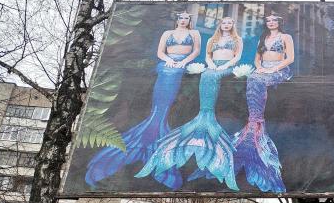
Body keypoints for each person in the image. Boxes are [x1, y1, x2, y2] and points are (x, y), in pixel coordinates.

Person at [85, 12, 200, 188]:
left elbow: (196, 50)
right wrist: (168, 59)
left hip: (180, 68)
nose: (183, 21)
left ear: (189, 21)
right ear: (177, 20)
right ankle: (147, 138)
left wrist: (182, 62)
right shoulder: (167, 33)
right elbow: (160, 51)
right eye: (181, 18)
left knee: (166, 104)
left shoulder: (194, 33)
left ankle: (157, 142)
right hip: (166, 66)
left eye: (186, 18)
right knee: (158, 102)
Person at [136, 17, 243, 190]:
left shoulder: (237, 40)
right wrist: (211, 64)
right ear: (220, 25)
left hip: (226, 66)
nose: (226, 25)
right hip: (210, 66)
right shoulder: (212, 39)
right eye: (224, 23)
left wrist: (225, 66)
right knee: (207, 75)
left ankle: (208, 117)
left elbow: (237, 56)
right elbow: (207, 55)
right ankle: (202, 115)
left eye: (229, 23)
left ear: (233, 25)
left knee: (211, 76)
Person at [233, 13, 294, 193]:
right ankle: (253, 123)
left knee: (258, 80)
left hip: (279, 69)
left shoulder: (286, 37)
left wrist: (273, 68)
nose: (271, 22)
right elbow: (257, 58)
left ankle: (257, 125)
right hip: (262, 69)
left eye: (274, 20)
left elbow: (289, 58)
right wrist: (260, 67)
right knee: (253, 78)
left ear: (279, 22)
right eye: (268, 20)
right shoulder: (263, 38)